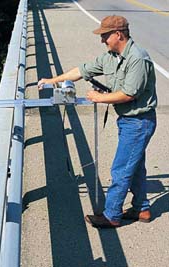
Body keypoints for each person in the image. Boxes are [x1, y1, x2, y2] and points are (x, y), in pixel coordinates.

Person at [38, 15, 157, 228]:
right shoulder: (111, 56)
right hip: (128, 120)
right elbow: (82, 70)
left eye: (105, 36)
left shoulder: (138, 58)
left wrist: (99, 97)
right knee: (135, 166)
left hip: (139, 122)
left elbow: (129, 94)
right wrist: (52, 80)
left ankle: (112, 215)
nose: (102, 40)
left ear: (118, 34)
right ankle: (142, 208)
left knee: (121, 169)